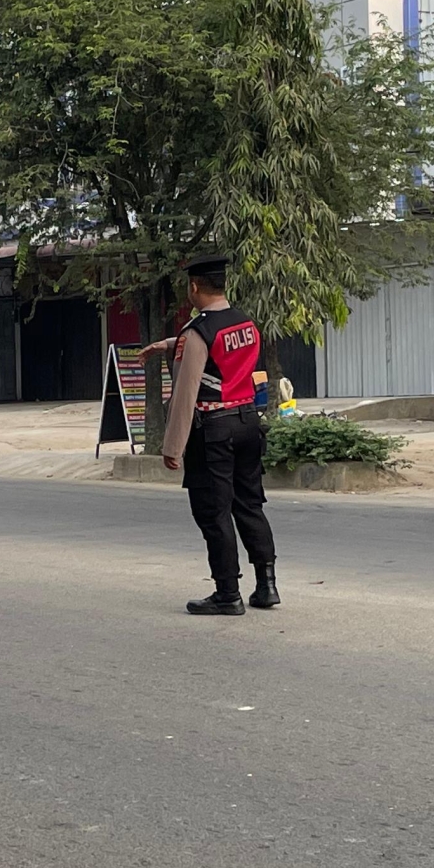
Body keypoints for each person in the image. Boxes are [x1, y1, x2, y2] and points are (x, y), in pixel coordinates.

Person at [161, 259, 278, 616]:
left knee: (214, 512)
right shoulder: (245, 322)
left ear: (194, 287)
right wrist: (169, 344)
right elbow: (225, 360)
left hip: (213, 430)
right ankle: (266, 585)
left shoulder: (197, 331)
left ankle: (227, 593)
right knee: (249, 504)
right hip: (247, 423)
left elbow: (186, 391)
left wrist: (173, 446)